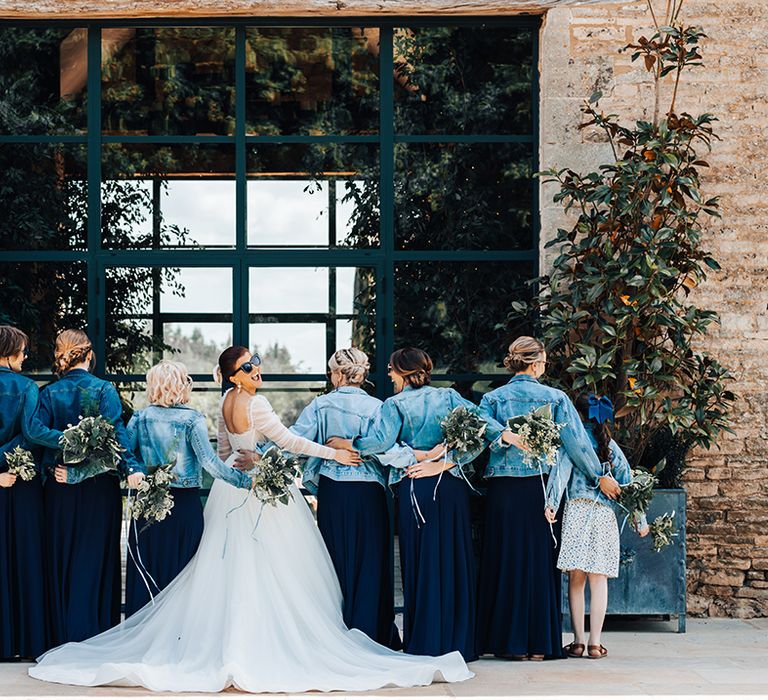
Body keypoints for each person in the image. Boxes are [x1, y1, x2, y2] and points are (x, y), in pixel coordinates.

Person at [28, 345, 472, 693]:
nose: (258, 370)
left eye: (257, 363)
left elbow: (224, 454)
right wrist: (331, 452)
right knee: (276, 571)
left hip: (228, 491)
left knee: (228, 569)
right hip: (255, 489)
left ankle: (227, 639)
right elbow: (290, 443)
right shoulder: (256, 406)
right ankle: (262, 644)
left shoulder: (224, 401)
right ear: (235, 374)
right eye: (249, 367)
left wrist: (245, 466)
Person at [330, 347, 482, 662]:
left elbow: (380, 443)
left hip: (415, 487)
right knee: (454, 560)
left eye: (390, 369)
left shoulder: (395, 404)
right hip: (450, 487)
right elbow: (481, 433)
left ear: (402, 371)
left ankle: (426, 643)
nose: (387, 374)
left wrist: (349, 444)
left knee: (421, 563)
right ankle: (460, 643)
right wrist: (448, 463)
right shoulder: (451, 397)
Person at [475, 336, 621, 661]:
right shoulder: (555, 398)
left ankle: (505, 643)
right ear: (538, 363)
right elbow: (578, 445)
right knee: (538, 564)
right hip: (541, 488)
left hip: (502, 488)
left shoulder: (493, 399)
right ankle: (538, 644)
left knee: (504, 560)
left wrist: (504, 434)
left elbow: (479, 426)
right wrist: (599, 477)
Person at [38, 329, 145, 646]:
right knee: (95, 557)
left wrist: (54, 469)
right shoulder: (104, 390)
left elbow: (39, 441)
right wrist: (133, 469)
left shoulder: (48, 394)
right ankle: (94, 636)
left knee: (62, 559)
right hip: (99, 488)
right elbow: (117, 438)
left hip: (58, 486)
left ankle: (61, 636)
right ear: (88, 355)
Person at [124, 360, 256, 617]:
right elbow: (209, 463)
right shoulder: (191, 419)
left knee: (149, 572)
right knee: (183, 574)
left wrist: (138, 473)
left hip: (148, 506)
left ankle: (144, 635)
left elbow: (127, 456)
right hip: (183, 507)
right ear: (179, 385)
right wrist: (245, 481)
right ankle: (177, 637)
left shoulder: (140, 418)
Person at [545, 393, 649, 660]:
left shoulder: (572, 444)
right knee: (598, 580)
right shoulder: (611, 446)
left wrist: (551, 504)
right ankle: (595, 643)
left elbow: (560, 475)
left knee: (576, 580)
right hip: (603, 516)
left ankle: (577, 641)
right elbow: (628, 484)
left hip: (577, 512)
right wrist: (641, 520)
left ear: (576, 416)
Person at [0, 326, 63, 659]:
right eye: (22, 351)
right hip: (22, 483)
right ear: (9, 353)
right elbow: (31, 435)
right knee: (26, 559)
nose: (25, 357)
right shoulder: (27, 387)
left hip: (5, 479)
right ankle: (25, 642)